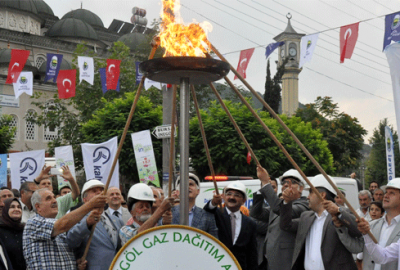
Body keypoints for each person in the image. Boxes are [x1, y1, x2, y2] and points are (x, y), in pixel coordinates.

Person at [280, 174, 364, 269]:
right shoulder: (306, 217)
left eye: (311, 192)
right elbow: (286, 225)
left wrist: (338, 212)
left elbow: (359, 230)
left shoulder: (340, 214)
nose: (307, 197)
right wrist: (286, 203)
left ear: (322, 195)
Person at [23, 188, 106, 269]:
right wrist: (90, 205)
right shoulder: (33, 223)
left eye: (54, 197)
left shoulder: (59, 228)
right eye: (48, 198)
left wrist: (76, 263)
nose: (55, 201)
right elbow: (63, 224)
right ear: (38, 207)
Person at [251, 166, 309, 270]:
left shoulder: (304, 205)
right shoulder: (279, 204)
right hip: (268, 261)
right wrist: (262, 189)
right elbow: (256, 213)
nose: (286, 184)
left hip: (285, 263)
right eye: (284, 182)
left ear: (301, 188)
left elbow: (281, 210)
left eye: (292, 182)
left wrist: (266, 183)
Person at [67, 179, 124, 270]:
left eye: (102, 190)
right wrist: (87, 223)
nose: (100, 193)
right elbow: (71, 241)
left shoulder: (117, 220)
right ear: (85, 199)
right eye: (94, 191)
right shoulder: (77, 218)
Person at [204, 182, 257, 270]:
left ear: (243, 200)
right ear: (223, 197)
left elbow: (252, 254)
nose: (232, 197)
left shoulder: (250, 223)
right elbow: (207, 210)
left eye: (237, 195)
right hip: (217, 265)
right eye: (229, 194)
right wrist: (213, 202)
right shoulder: (216, 214)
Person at [361, 178, 400, 270]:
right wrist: (366, 234)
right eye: (386, 192)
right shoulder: (372, 225)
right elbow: (383, 256)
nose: (386, 196)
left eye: (392, 193)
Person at [166, 173, 218, 238]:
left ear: (198, 191)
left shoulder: (208, 217)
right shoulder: (167, 213)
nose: (188, 187)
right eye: (184, 184)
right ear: (177, 192)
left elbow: (214, 243)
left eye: (191, 184)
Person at [0, 198, 25, 269]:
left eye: (19, 207)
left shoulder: (25, 229)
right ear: (5, 210)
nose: (16, 209)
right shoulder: (1, 230)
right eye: (12, 207)